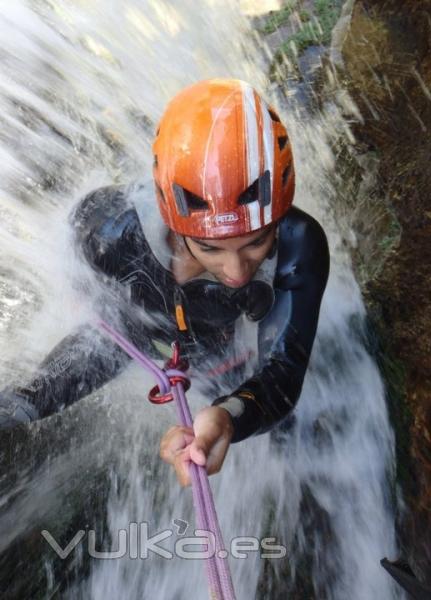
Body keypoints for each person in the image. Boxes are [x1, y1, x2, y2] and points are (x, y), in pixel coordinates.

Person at [0, 78, 329, 486]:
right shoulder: (111, 230)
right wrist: (83, 295)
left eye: (257, 242)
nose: (237, 271)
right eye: (209, 249)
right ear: (174, 224)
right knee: (21, 404)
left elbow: (283, 369)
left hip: (220, 352)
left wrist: (226, 417)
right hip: (131, 331)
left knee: (276, 427)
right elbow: (74, 252)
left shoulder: (298, 242)